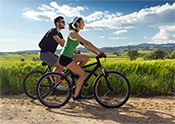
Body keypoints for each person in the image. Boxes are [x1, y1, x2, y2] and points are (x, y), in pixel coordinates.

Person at [59, 17, 105, 101]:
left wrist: (97, 53)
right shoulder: (73, 33)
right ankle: (76, 96)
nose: (84, 24)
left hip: (69, 56)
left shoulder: (76, 34)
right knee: (83, 74)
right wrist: (100, 50)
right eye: (82, 22)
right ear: (77, 23)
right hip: (65, 58)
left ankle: (76, 74)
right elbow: (86, 42)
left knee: (85, 58)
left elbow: (86, 46)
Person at [38, 16, 67, 90]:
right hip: (45, 54)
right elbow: (61, 43)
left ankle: (51, 76)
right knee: (61, 65)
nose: (64, 23)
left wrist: (75, 50)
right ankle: (57, 85)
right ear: (57, 23)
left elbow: (66, 43)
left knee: (63, 62)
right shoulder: (52, 32)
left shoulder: (59, 34)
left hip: (50, 54)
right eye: (62, 22)